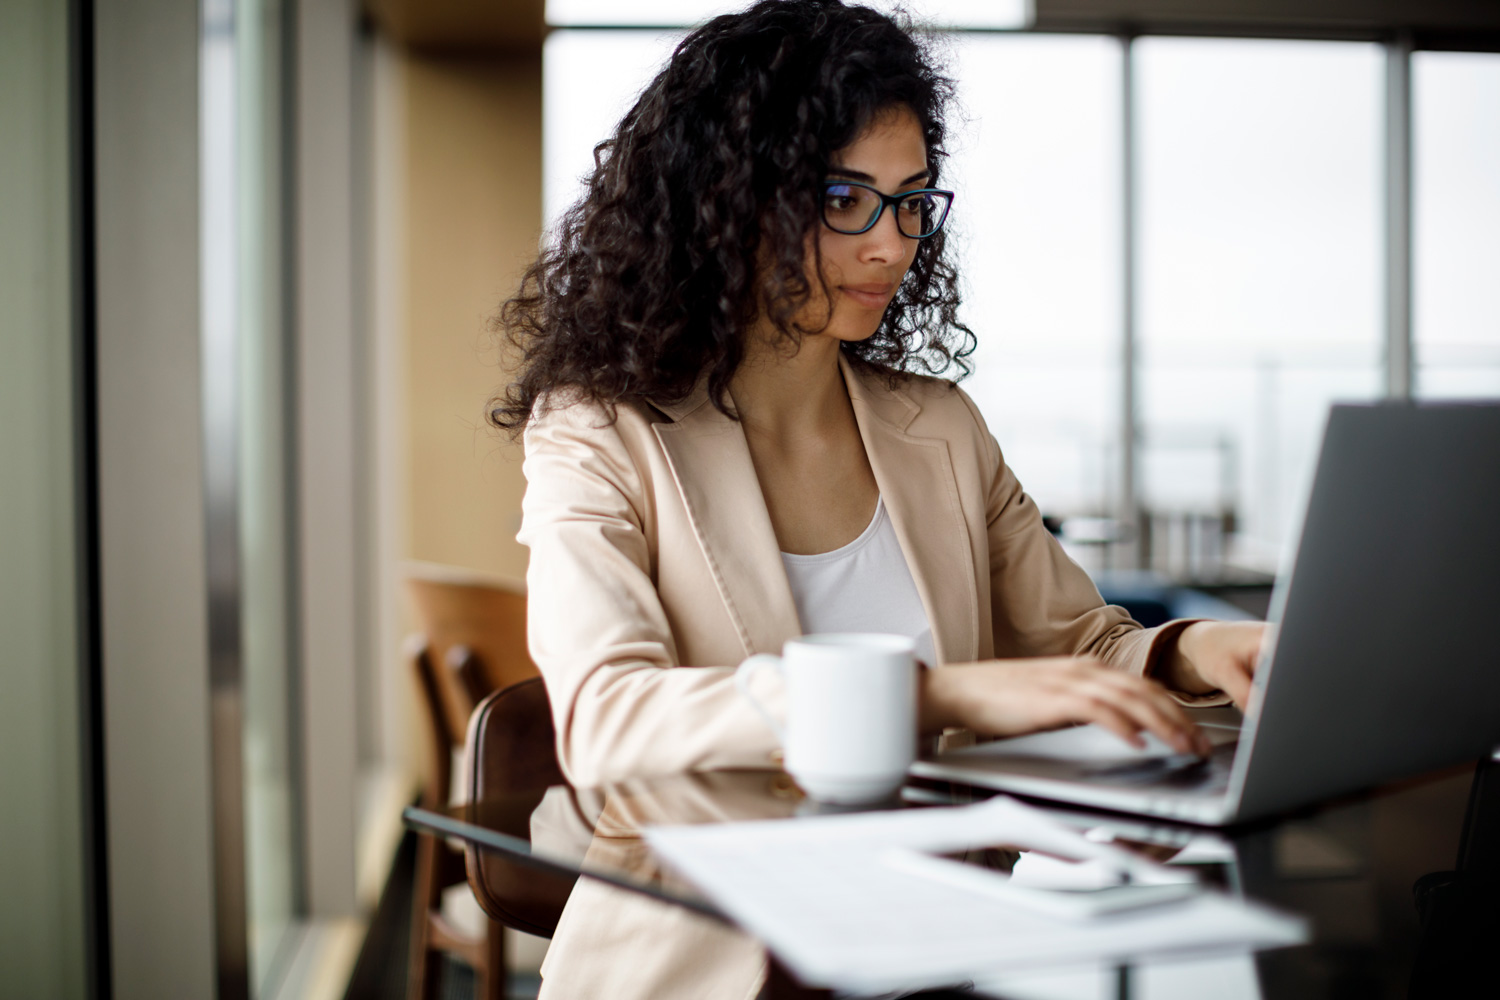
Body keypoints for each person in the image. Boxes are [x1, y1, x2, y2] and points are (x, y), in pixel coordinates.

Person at [494, 0, 1263, 797]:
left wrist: (1197, 648)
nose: (890, 244)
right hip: (715, 910)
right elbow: (606, 716)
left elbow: (1079, 649)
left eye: (911, 201)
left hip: (952, 897)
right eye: (841, 199)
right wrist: (931, 694)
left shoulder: (942, 427)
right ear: (724, 205)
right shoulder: (598, 430)